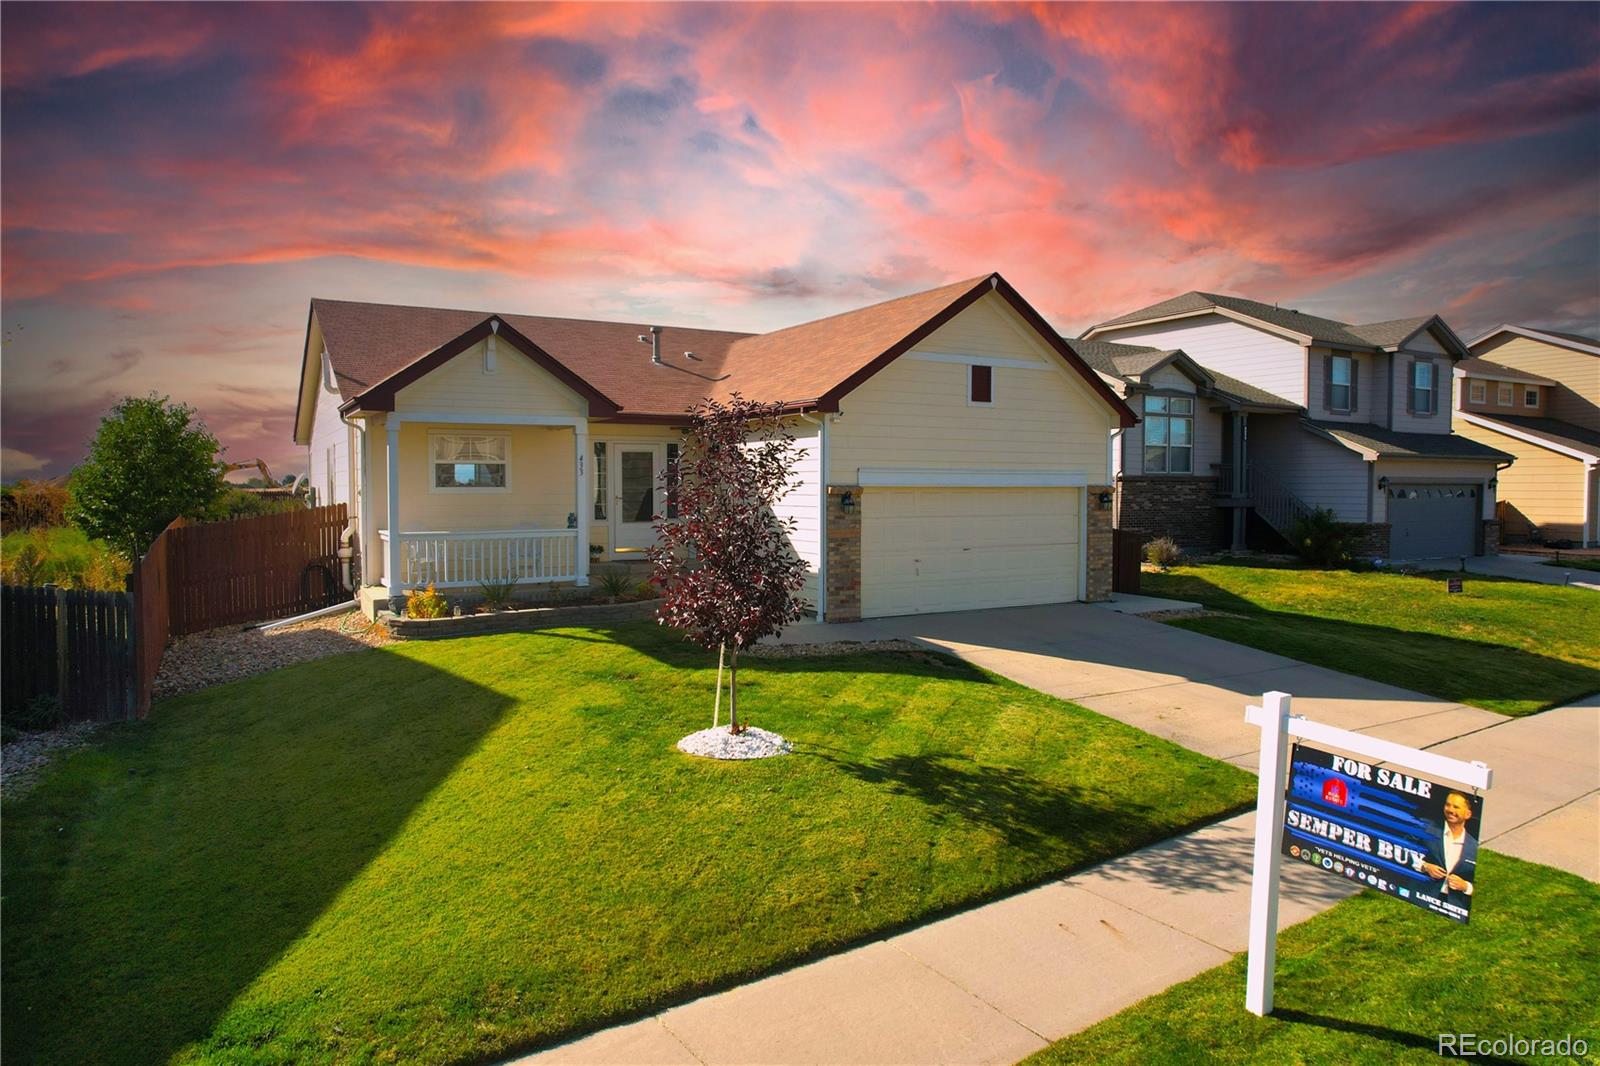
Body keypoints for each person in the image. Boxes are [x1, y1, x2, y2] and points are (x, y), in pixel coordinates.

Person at [1420, 791, 1478, 898]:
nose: (1450, 810)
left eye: (1456, 807)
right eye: (1448, 805)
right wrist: (1425, 866)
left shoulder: (1474, 846)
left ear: (1468, 814)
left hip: (1455, 904)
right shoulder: (1426, 829)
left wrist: (1465, 886)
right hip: (1424, 895)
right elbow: (1404, 850)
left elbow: (1480, 884)